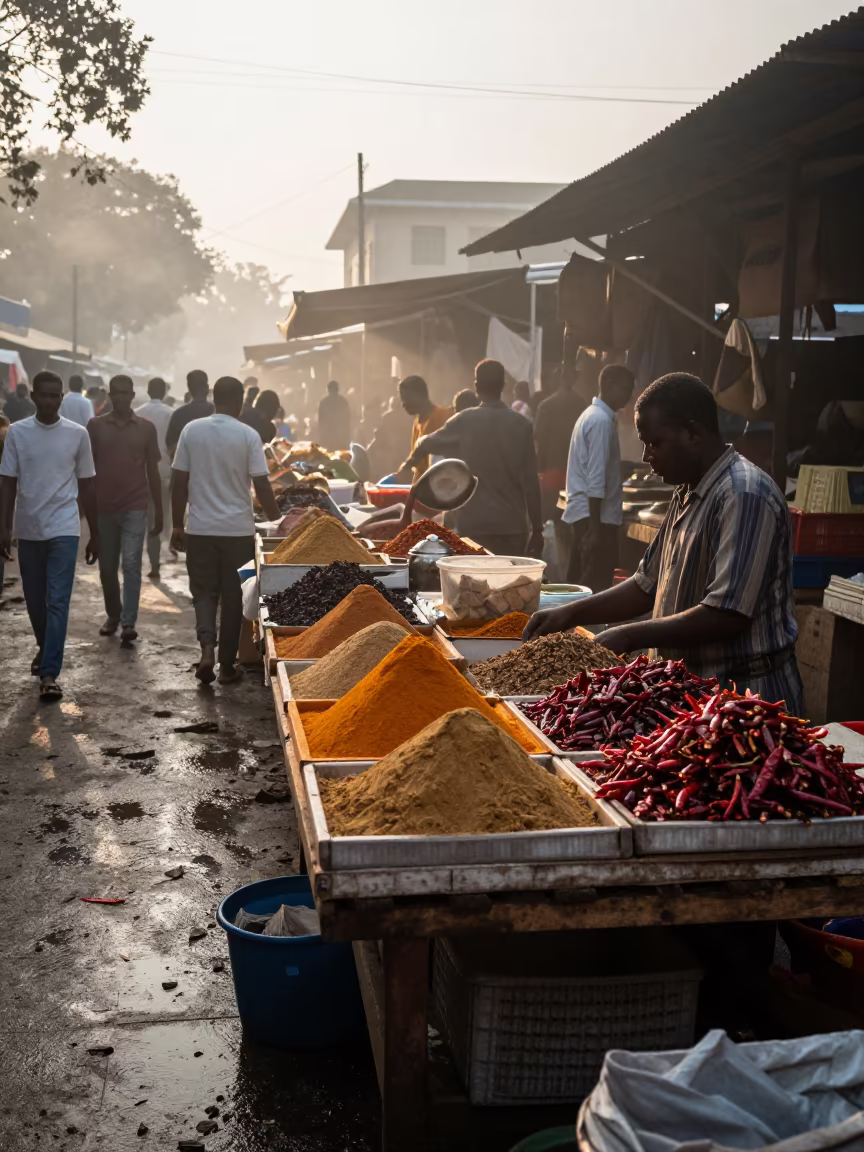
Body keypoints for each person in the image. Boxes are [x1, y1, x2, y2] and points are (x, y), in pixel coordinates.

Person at [525, 372, 803, 711]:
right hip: (697, 693)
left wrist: (630, 635)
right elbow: (646, 585)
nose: (645, 456)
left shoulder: (743, 494)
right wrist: (569, 614)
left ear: (693, 433)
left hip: (747, 696)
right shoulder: (687, 491)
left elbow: (727, 614)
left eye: (655, 443)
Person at [171, 376, 280, 686]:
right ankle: (227, 666)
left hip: (201, 529)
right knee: (234, 598)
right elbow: (261, 484)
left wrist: (178, 524)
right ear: (241, 401)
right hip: (237, 532)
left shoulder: (192, 430)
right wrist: (278, 520)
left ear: (213, 397)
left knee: (204, 593)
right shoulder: (248, 435)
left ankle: (207, 648)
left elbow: (179, 482)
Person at [0, 370, 99, 700]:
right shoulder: (17, 433)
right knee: (35, 601)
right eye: (44, 395)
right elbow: (8, 483)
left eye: (56, 395)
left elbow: (87, 484)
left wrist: (94, 532)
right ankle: (46, 647)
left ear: (61, 397)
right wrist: (5, 527)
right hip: (29, 529)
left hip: (64, 529)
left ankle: (50, 673)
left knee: (57, 601)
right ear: (34, 397)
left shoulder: (77, 435)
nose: (51, 400)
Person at [398, 359, 543, 556]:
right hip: (512, 526)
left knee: (474, 584)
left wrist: (408, 465)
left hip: (474, 525)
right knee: (509, 583)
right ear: (503, 385)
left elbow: (424, 443)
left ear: (476, 386)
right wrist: (537, 529)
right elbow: (531, 482)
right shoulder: (522, 425)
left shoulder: (464, 420)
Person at [88, 375, 162, 642]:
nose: (120, 397)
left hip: (135, 506)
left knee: (130, 564)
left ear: (132, 395)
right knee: (107, 568)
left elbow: (152, 470)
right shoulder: (95, 427)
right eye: (115, 393)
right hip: (104, 508)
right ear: (110, 395)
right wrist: (85, 510)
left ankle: (129, 622)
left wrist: (160, 512)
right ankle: (114, 614)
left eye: (124, 393)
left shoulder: (146, 428)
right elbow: (86, 471)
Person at [561, 364, 634, 593]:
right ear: (609, 385)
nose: (629, 395)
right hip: (595, 519)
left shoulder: (595, 416)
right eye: (626, 389)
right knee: (590, 589)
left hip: (590, 517)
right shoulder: (600, 420)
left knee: (580, 587)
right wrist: (595, 531)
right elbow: (596, 479)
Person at [135, 377, 174, 579]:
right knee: (158, 519)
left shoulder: (138, 413)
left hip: (141, 473)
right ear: (164, 392)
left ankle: (147, 563)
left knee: (142, 519)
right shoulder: (171, 414)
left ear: (149, 391)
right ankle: (155, 563)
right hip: (164, 472)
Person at [397, 376, 452, 480]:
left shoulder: (443, 416)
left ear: (419, 396)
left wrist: (407, 466)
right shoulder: (417, 423)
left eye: (406, 398)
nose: (403, 404)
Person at [166, 370, 212, 456]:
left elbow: (171, 449)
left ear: (189, 388)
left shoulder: (178, 415)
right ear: (207, 387)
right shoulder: (216, 412)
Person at [317, 380, 351, 450]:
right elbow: (347, 419)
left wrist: (322, 435)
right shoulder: (343, 401)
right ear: (338, 389)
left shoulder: (323, 402)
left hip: (328, 436)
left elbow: (320, 421)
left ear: (328, 390)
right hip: (341, 436)